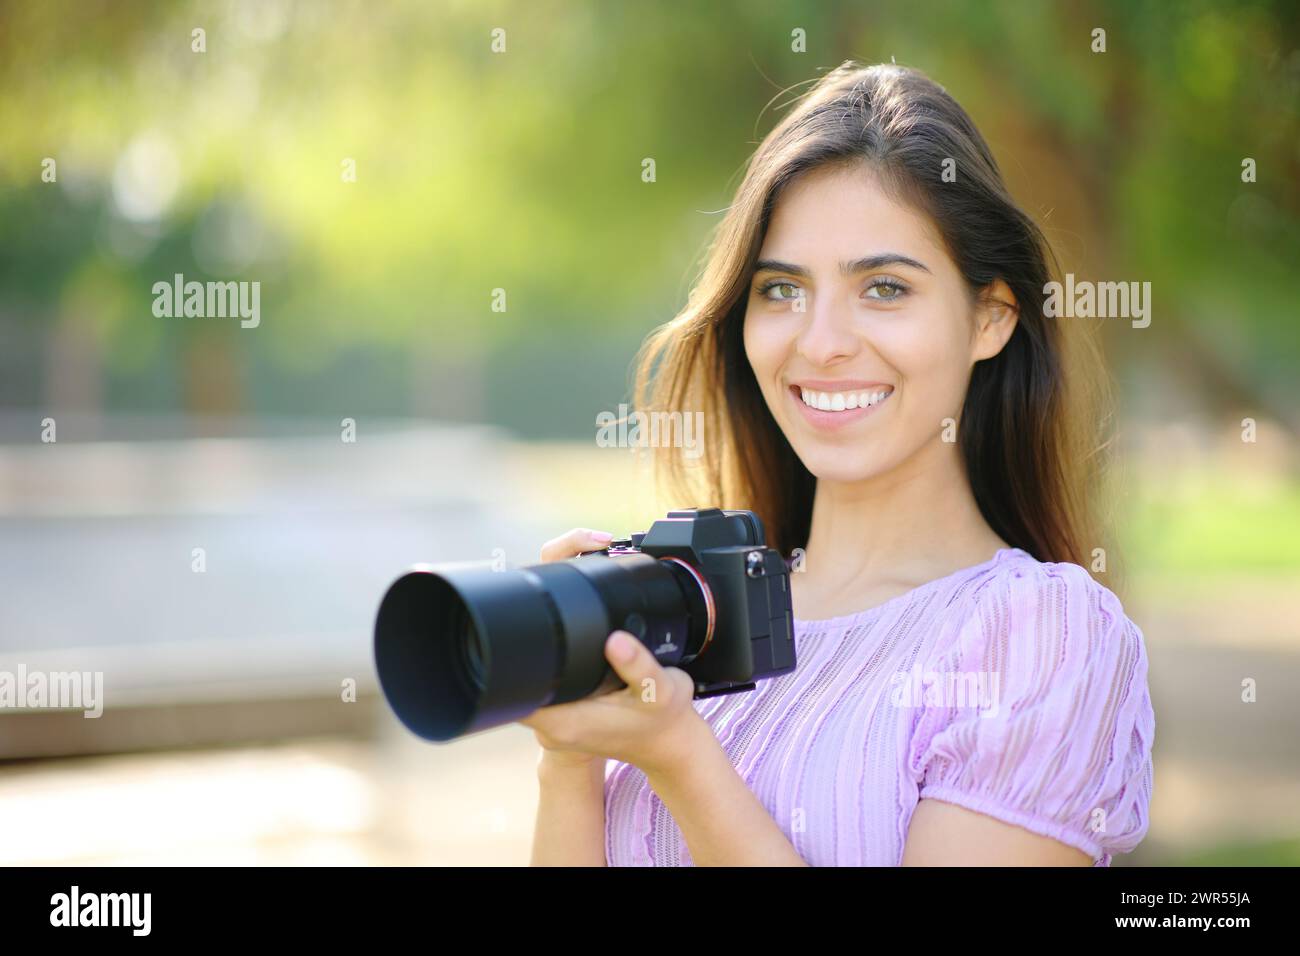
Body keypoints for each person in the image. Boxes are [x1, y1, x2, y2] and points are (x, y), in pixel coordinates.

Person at [524, 60, 1155, 866]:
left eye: (885, 289)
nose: (819, 342)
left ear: (991, 319)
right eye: (781, 290)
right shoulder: (692, 618)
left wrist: (680, 756)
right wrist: (568, 759)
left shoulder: (1040, 639)